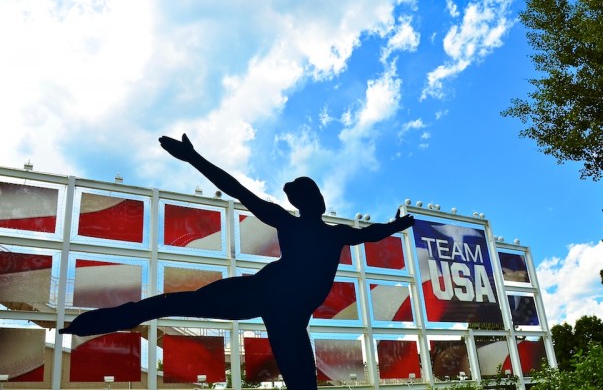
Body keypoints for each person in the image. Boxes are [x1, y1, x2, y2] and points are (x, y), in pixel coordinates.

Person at [60, 133, 415, 389]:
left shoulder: (336, 233)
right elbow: (238, 191)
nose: (318, 198)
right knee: (177, 303)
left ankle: (88, 324)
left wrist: (398, 224)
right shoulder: (289, 222)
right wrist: (193, 158)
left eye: (317, 192)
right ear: (304, 201)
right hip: (261, 293)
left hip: (288, 316)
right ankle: (89, 324)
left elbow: (374, 233)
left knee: (302, 382)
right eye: (311, 194)